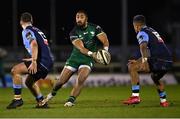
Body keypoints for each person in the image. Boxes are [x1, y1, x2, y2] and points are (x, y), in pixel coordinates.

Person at [43, 9, 109, 107]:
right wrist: (93, 54)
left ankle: (70, 101)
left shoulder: (95, 28)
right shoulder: (73, 32)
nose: (79, 19)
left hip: (87, 60)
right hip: (75, 58)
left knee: (81, 79)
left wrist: (105, 52)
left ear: (86, 18)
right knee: (61, 81)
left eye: (81, 17)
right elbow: (81, 48)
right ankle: (52, 93)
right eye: (77, 17)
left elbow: (105, 40)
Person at [123, 15, 172, 107]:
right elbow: (152, 50)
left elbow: (143, 46)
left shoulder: (141, 32)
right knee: (155, 77)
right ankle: (164, 101)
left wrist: (144, 62)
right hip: (168, 60)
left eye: (134, 26)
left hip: (158, 59)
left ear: (136, 25)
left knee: (131, 67)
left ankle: (135, 96)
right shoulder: (151, 30)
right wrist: (139, 60)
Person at [6, 12, 54, 109]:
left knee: (15, 70)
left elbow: (34, 44)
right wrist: (33, 58)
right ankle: (41, 102)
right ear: (31, 21)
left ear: (20, 22)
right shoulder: (37, 30)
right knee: (29, 82)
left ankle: (17, 99)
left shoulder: (26, 31)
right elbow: (42, 47)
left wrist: (34, 61)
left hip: (41, 61)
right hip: (48, 61)